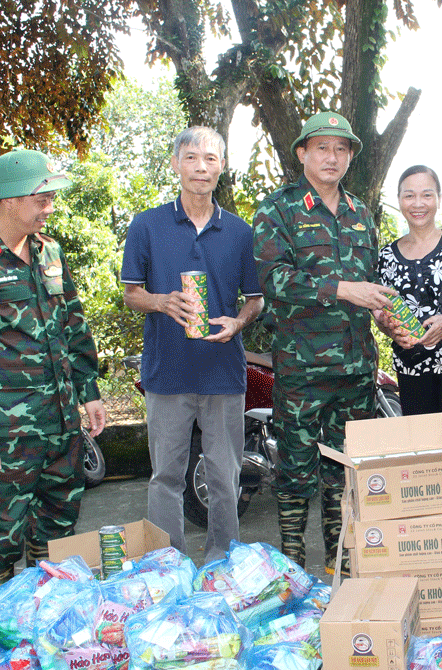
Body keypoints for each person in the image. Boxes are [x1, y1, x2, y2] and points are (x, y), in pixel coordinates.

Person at [0, 149, 106, 591]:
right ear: (10, 199)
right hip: (6, 432)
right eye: (42, 199)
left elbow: (73, 321)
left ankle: (44, 626)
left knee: (57, 534)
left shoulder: (49, 251)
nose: (49, 208)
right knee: (0, 539)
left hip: (62, 425)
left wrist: (89, 390)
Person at [253, 112, 394, 573]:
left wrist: (382, 310)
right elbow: (273, 280)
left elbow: (371, 284)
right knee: (294, 477)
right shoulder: (278, 210)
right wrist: (341, 288)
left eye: (341, 149)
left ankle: (341, 569)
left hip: (355, 372)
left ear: (350, 156)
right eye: (322, 148)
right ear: (303, 154)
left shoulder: (360, 214)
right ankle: (293, 573)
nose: (332, 157)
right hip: (300, 372)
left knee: (344, 475)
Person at [121, 127, 264, 565]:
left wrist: (238, 321)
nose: (201, 167)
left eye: (211, 159)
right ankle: (167, 564)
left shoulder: (240, 232)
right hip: (167, 372)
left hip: (223, 373)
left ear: (222, 166)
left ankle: (223, 561)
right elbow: (131, 292)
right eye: (192, 158)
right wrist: (162, 301)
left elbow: (255, 299)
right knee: (166, 476)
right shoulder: (147, 225)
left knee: (225, 475)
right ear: (175, 163)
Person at [374, 165, 442, 509]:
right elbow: (380, 315)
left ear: (438, 199)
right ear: (399, 201)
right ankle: (430, 532)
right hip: (413, 368)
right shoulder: (386, 257)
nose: (418, 202)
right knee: (423, 453)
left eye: (426, 194)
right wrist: (387, 326)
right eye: (409, 195)